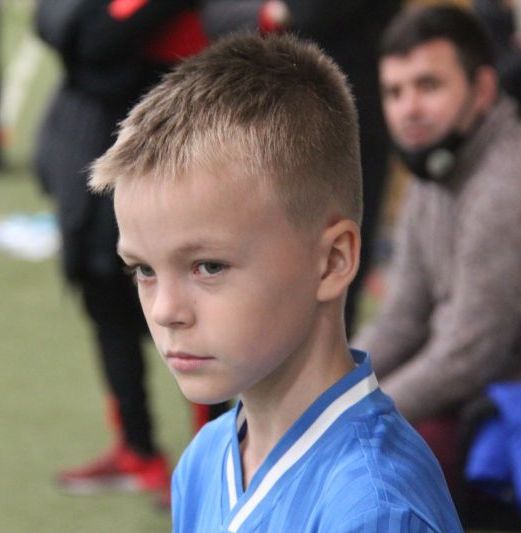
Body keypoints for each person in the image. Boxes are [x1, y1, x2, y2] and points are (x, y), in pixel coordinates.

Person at [90, 33, 462, 532]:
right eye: (144, 270)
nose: (165, 311)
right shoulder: (205, 459)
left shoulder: (375, 511)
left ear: (332, 261)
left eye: (209, 266)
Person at [355, 4, 521, 494]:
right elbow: (402, 319)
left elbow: (467, 356)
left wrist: (349, 418)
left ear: (482, 89)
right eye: (394, 92)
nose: (408, 109)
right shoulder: (436, 173)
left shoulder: (513, 185)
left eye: (428, 85)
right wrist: (327, 390)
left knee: (382, 456)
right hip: (483, 394)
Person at [33, 0, 227, 504]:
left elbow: (97, 39)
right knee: (102, 293)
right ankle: (137, 451)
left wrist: (81, 31)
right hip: (99, 139)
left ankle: (216, 463)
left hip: (175, 144)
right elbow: (50, 21)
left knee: (194, 309)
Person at [200, 0, 401, 333]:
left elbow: (313, 12)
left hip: (351, 121)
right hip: (261, 120)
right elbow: (217, 15)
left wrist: (285, 13)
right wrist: (269, 14)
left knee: (336, 266)